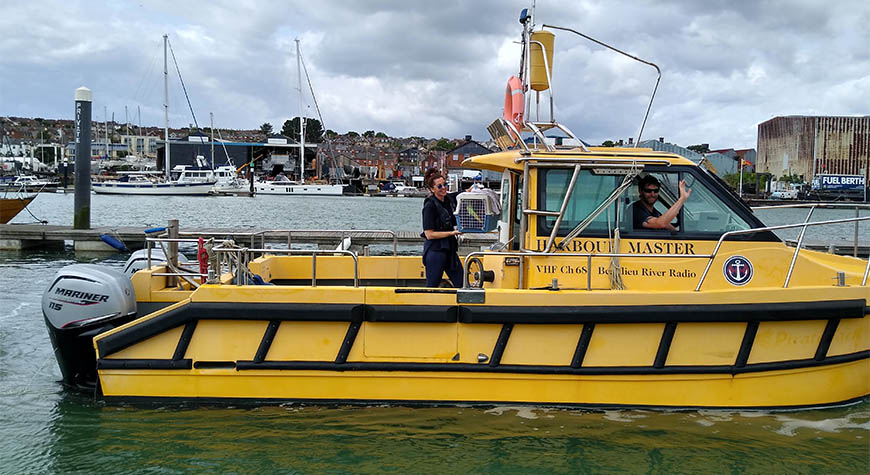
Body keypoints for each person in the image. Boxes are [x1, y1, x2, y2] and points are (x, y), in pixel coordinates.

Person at [421, 168, 464, 287]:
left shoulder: (449, 199)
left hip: (449, 249)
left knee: (462, 283)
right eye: (439, 186)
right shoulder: (429, 206)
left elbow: (464, 193)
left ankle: (461, 305)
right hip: (435, 251)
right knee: (432, 286)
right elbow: (429, 234)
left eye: (445, 184)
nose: (444, 188)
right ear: (432, 189)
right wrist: (452, 233)